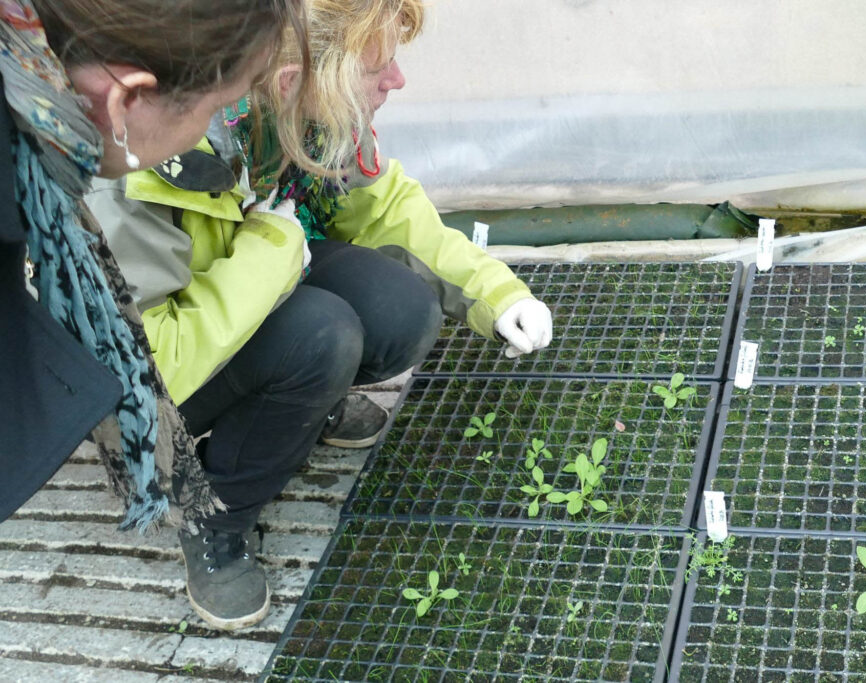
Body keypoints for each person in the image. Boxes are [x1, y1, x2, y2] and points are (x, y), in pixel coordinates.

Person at [86, 0, 553, 631]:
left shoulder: (308, 108)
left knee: (403, 310)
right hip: (141, 397)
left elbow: (384, 207)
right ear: (289, 81)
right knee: (321, 337)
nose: (396, 81)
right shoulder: (133, 169)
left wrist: (497, 293)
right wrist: (271, 247)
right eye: (377, 68)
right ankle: (214, 518)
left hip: (250, 283)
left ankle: (297, 407)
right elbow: (147, 370)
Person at [0, 0, 308, 530]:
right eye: (217, 106)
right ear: (130, 99)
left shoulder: (33, 161)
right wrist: (274, 248)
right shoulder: (98, 196)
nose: (215, 127)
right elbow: (161, 358)